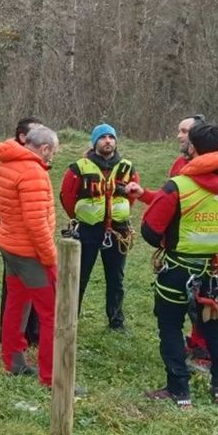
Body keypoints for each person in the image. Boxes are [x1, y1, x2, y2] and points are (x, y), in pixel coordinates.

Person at [127, 122, 218, 408]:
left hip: (179, 270)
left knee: (170, 326)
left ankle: (179, 390)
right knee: (214, 324)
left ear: (193, 148)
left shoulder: (178, 186)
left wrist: (172, 240)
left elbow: (150, 230)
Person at [0, 120, 60, 384]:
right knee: (51, 313)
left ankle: (13, 361)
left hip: (10, 246)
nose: (52, 157)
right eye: (53, 152)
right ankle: (51, 376)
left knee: (16, 304)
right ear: (44, 148)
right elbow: (36, 223)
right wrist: (50, 257)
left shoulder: (4, 164)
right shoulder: (33, 173)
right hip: (31, 253)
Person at [59, 123, 140, 333]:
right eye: (103, 137)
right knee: (79, 275)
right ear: (95, 142)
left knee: (116, 278)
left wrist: (116, 215)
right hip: (88, 229)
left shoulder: (127, 168)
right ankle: (70, 318)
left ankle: (116, 321)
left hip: (118, 230)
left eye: (111, 137)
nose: (108, 141)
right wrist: (79, 217)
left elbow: (132, 195)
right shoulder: (79, 168)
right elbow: (67, 196)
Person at [172, 114, 212, 372]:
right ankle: (194, 343)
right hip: (179, 246)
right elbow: (169, 200)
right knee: (184, 300)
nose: (179, 136)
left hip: (205, 248)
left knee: (204, 300)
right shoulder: (179, 164)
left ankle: (205, 352)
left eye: (184, 131)